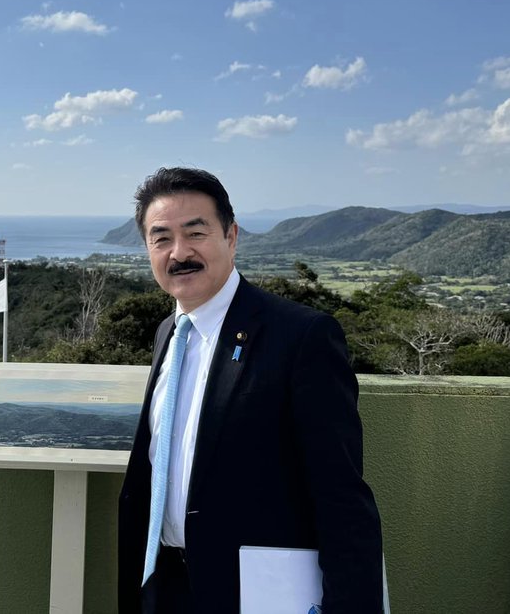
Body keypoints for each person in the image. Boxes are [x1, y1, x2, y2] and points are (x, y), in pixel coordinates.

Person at [118, 167, 383, 613]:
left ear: (231, 236)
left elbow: (340, 496)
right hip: (164, 586)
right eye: (161, 238)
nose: (179, 252)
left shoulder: (300, 336)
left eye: (195, 233)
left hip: (257, 592)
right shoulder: (169, 333)